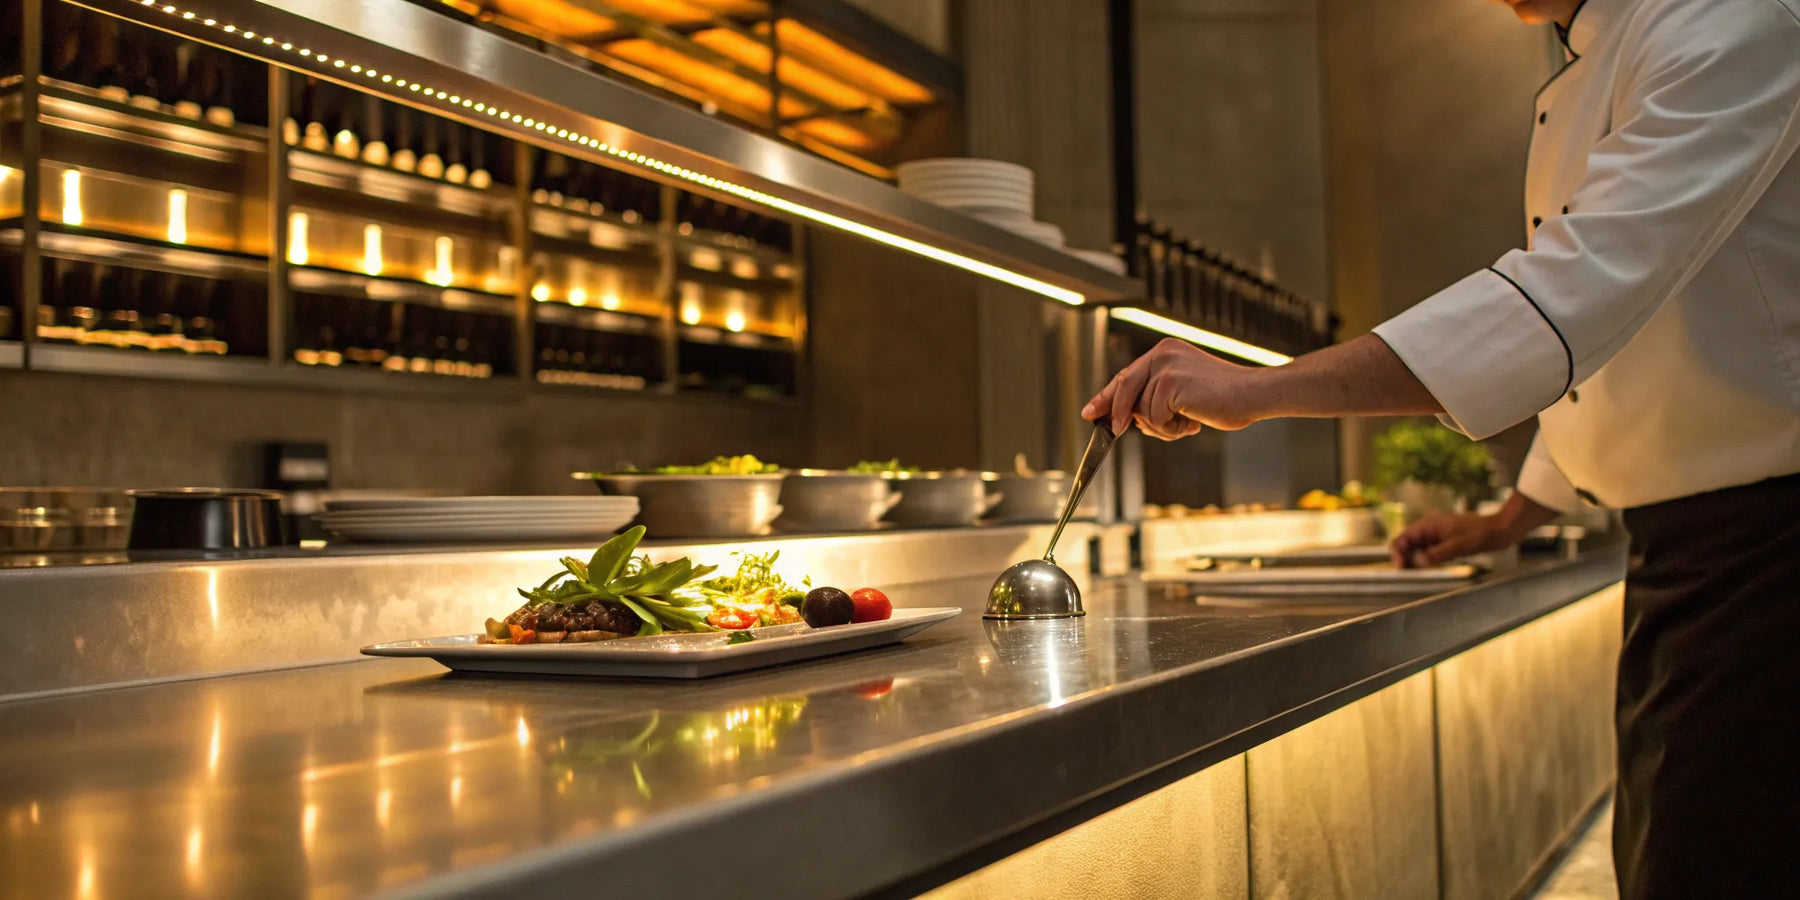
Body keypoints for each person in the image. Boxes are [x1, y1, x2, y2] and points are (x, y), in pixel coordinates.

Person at [1084, 0, 1800, 896]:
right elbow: (1630, 338)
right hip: (1692, 553)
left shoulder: (1729, 21)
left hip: (1772, 549)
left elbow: (1566, 299)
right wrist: (1513, 515)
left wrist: (1260, 389)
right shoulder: (1613, 46)